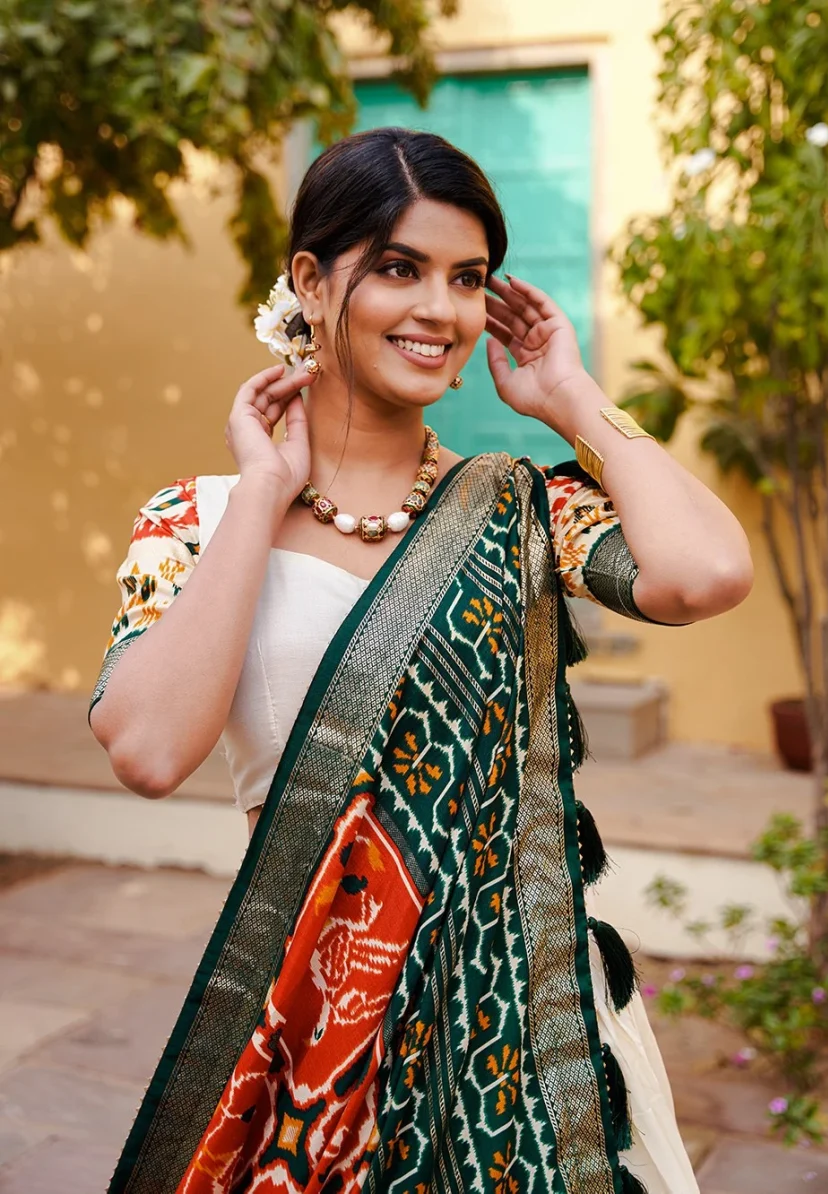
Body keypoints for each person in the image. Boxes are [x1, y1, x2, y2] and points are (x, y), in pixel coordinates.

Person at [90, 127, 752, 1194]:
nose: (439, 311)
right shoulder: (198, 521)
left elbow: (710, 572)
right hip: (324, 1028)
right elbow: (150, 751)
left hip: (519, 1026)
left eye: (467, 278)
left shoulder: (522, 507)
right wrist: (261, 494)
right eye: (399, 268)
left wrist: (574, 401)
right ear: (310, 280)